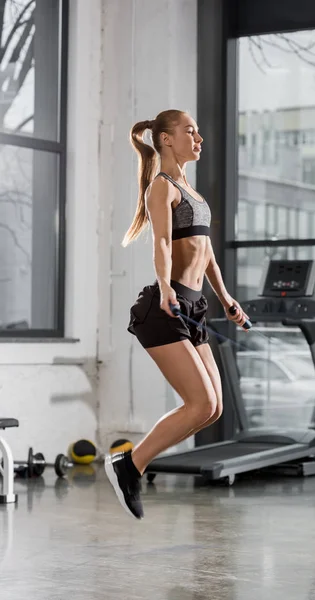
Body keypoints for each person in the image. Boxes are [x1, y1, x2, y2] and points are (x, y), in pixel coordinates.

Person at [105, 109, 249, 519]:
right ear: (166, 139)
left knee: (213, 408)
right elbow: (163, 243)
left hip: (194, 306)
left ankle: (131, 466)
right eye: (190, 131)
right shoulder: (162, 187)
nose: (199, 138)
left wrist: (225, 298)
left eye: (199, 132)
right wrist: (165, 285)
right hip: (164, 307)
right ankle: (129, 466)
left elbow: (207, 256)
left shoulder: (193, 193)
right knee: (200, 402)